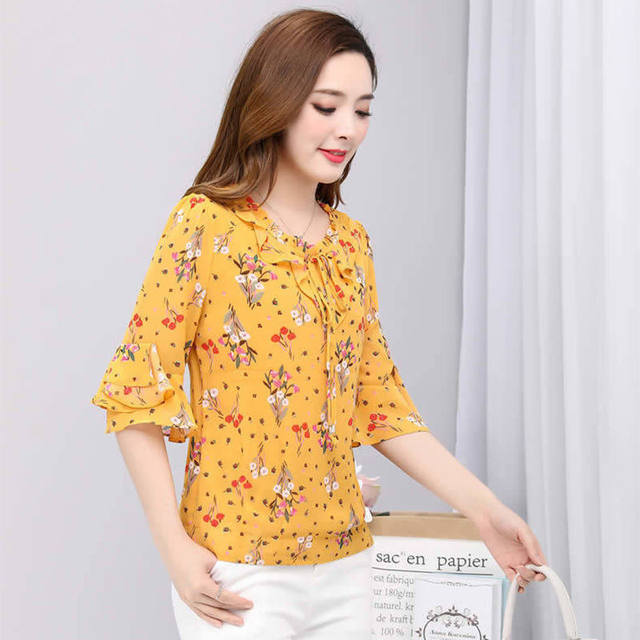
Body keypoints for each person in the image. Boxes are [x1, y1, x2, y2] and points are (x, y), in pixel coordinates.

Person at [90, 8, 548, 639]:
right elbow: (136, 394)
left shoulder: (350, 244)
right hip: (237, 572)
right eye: (326, 106)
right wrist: (173, 547)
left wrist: (486, 512)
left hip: (348, 568)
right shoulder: (205, 226)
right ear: (275, 102)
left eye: (362, 110)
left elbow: (380, 404)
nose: (347, 129)